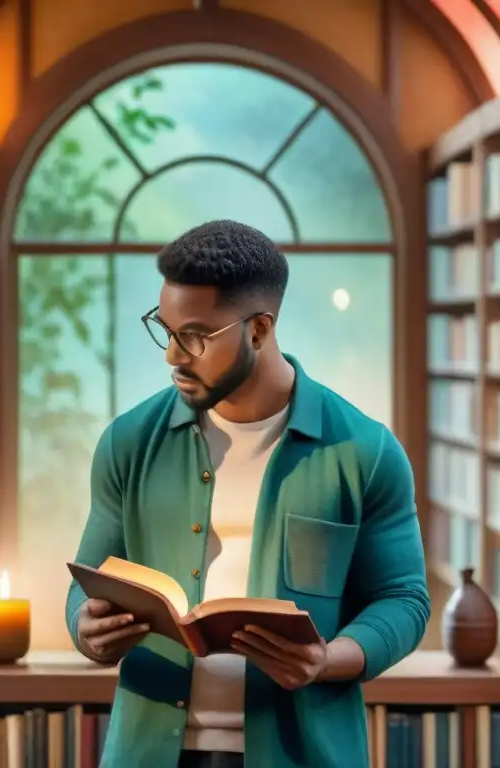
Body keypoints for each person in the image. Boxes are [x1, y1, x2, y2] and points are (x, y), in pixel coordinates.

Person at [65, 219, 430, 768]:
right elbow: (86, 580)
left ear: (259, 329)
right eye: (163, 329)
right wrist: (86, 628)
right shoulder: (128, 442)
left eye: (193, 336)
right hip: (149, 752)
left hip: (303, 753)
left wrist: (328, 660)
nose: (172, 355)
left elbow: (404, 600)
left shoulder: (365, 451)